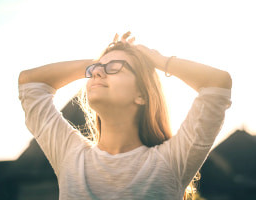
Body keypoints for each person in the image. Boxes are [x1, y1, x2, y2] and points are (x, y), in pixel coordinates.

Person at [18, 32, 232, 200]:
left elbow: (217, 83)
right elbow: (30, 82)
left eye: (114, 68)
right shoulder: (71, 156)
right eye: (95, 70)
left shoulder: (171, 161)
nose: (98, 72)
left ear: (142, 94)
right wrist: (98, 61)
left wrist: (157, 60)